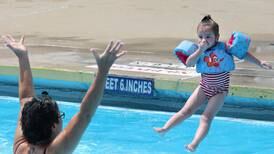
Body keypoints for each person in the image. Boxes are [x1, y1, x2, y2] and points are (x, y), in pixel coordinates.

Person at [154, 15, 272, 152]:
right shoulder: (198, 51)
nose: (204, 40)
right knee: (186, 111)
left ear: (217, 36)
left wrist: (259, 62)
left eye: (208, 36)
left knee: (206, 117)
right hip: (204, 87)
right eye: (200, 36)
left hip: (220, 90)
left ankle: (194, 143)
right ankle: (165, 128)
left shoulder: (225, 48)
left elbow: (243, 54)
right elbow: (189, 63)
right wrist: (200, 50)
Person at [2, 34, 126, 154]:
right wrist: (103, 71)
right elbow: (85, 114)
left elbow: (25, 98)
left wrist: (22, 57)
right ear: (53, 126)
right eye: (60, 116)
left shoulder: (20, 148)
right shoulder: (55, 151)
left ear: (24, 125)